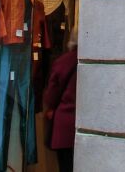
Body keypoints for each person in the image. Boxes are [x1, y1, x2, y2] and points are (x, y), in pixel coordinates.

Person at [43, 33, 78, 172]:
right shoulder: (96, 64)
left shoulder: (62, 62)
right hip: (87, 123)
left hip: (64, 128)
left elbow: (51, 96)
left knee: (66, 166)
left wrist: (51, 107)